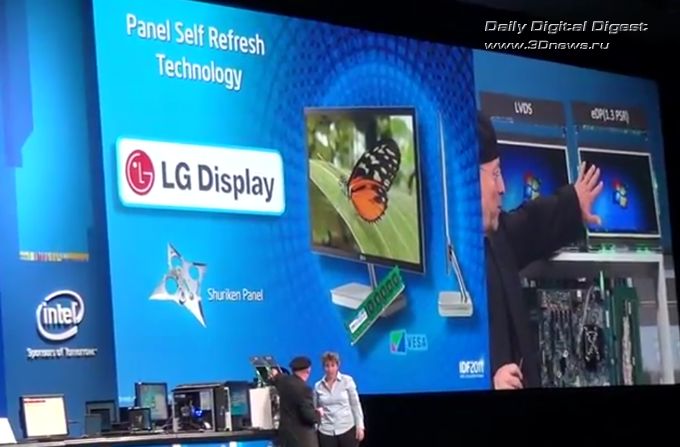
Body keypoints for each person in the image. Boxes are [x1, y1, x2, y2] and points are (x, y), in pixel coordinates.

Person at [477, 112, 603, 390]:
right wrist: (484, 381)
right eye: (495, 174)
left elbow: (532, 222)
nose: (502, 187)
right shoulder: (441, 267)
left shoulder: (498, 239)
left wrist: (574, 202)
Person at [313, 352, 365, 447]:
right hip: (326, 431)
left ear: (338, 365)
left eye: (333, 365)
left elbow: (355, 405)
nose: (330, 369)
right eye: (327, 366)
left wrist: (360, 426)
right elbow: (315, 409)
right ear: (323, 367)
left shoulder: (347, 381)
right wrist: (316, 427)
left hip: (347, 428)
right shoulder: (318, 386)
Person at [271, 356, 322, 447]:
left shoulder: (283, 381)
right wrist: (318, 413)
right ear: (308, 371)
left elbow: (277, 376)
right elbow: (309, 417)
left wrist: (274, 371)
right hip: (303, 441)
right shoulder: (305, 389)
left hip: (286, 438)